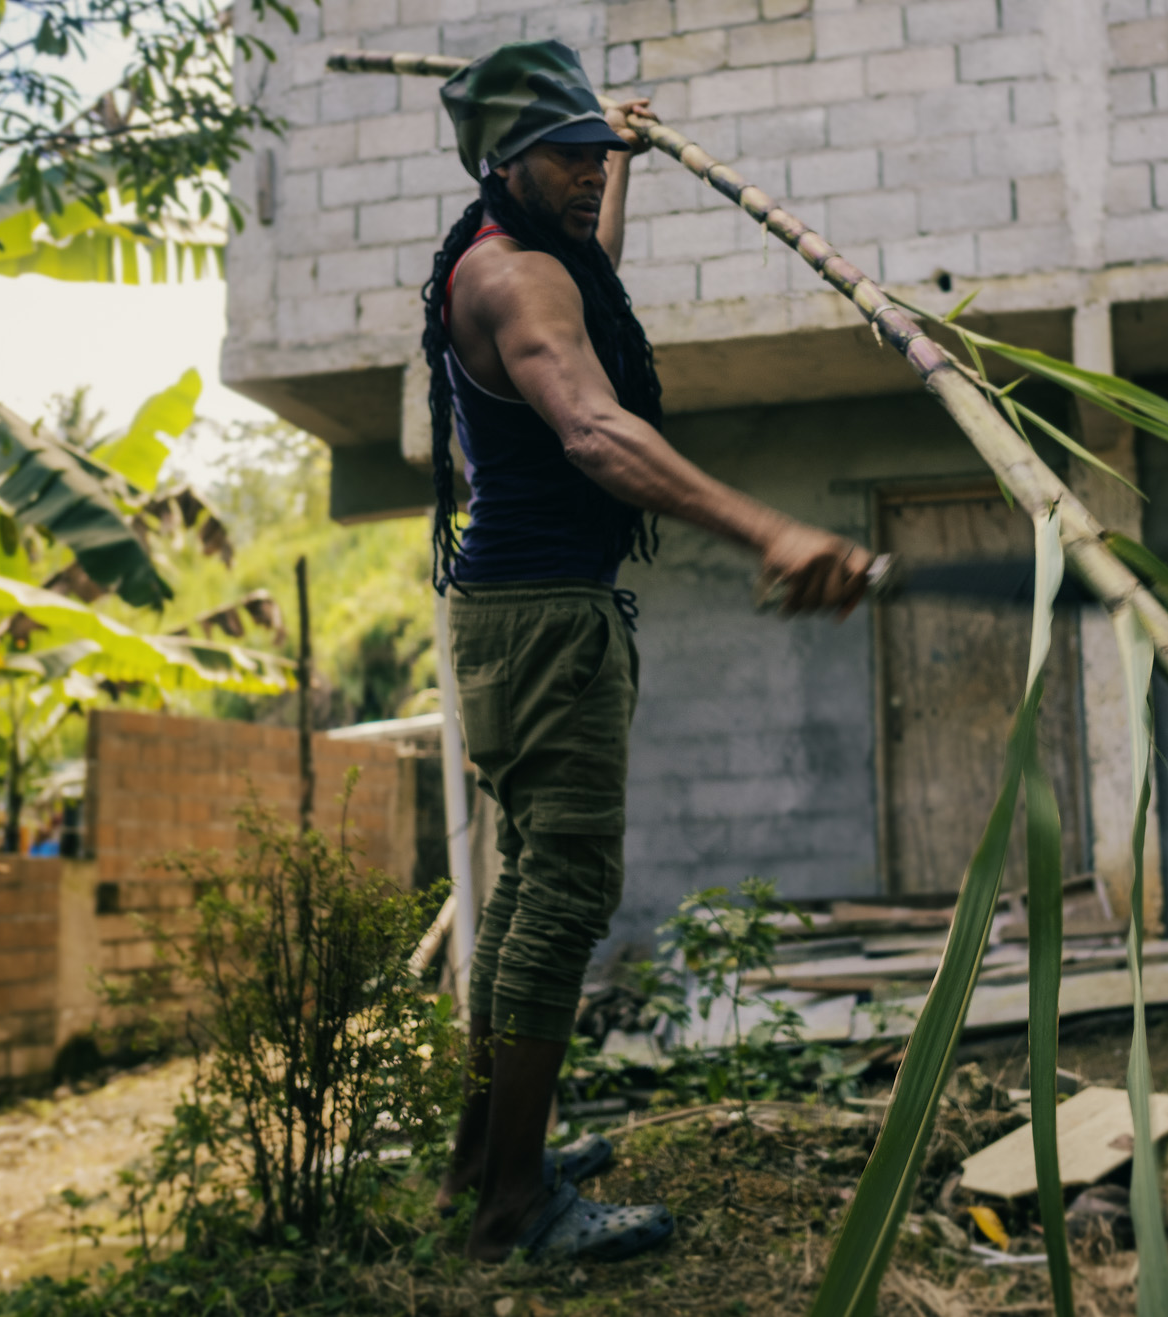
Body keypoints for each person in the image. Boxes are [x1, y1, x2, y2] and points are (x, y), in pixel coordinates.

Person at [418, 41, 873, 1264]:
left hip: (510, 614)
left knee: (526, 891)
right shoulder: (515, 282)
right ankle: (517, 1204)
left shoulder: (520, 259)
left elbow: (591, 284)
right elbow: (595, 429)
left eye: (599, 152)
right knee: (564, 895)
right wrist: (767, 527)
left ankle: (485, 1162)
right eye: (571, 154)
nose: (591, 169)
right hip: (548, 619)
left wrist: (624, 172)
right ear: (504, 162)